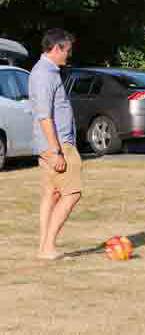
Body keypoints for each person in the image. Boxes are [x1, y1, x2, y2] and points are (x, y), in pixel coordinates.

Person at [29, 29, 81, 260]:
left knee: (52, 193)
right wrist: (56, 150)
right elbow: (44, 115)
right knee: (72, 193)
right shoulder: (44, 74)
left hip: (54, 144)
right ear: (57, 48)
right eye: (67, 51)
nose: (68, 56)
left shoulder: (49, 72)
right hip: (58, 145)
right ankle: (48, 247)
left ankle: (44, 248)